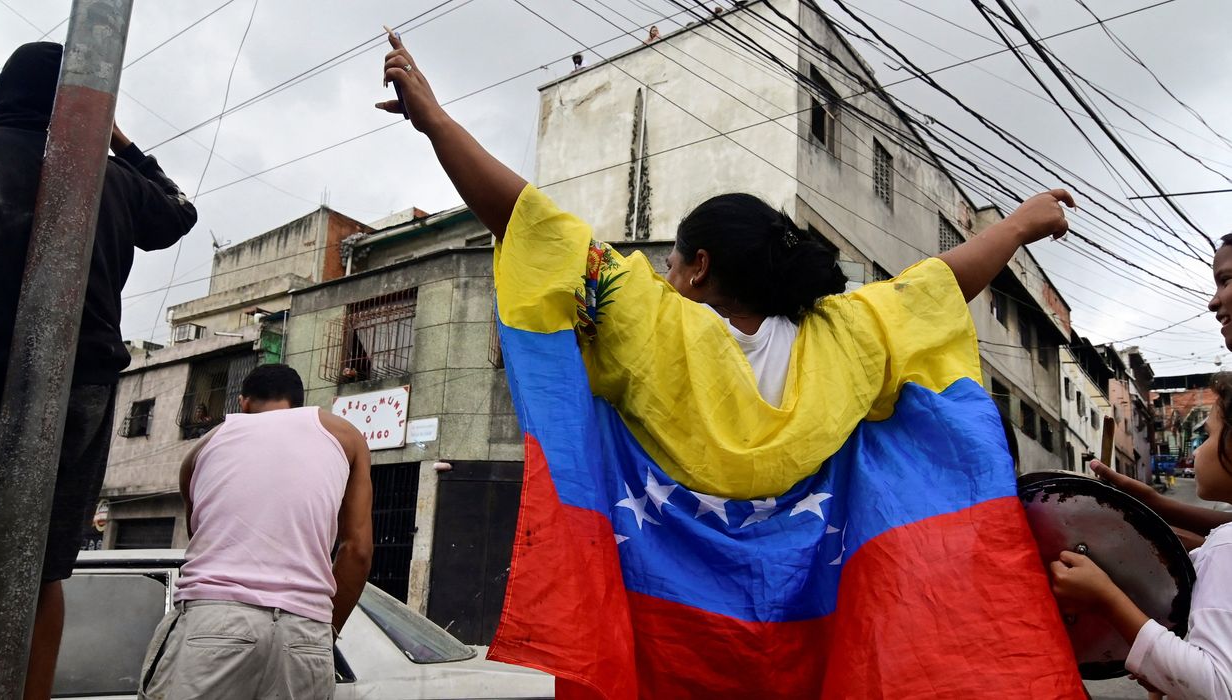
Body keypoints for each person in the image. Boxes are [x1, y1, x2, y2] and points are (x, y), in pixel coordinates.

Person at [377, 37, 1087, 697]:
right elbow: (940, 283)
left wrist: (435, 121)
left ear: (698, 267)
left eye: (673, 259)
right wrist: (1018, 225)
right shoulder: (847, 334)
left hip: (670, 635)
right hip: (808, 629)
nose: (662, 270)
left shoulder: (651, 320)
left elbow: (521, 216)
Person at [0, 42, 198, 699]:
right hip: (78, 386)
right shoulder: (109, 174)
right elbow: (177, 215)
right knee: (40, 569)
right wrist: (118, 142)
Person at [137, 364, 373, 700]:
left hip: (213, 622)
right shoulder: (346, 436)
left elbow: (201, 541)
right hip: (305, 633)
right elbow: (358, 551)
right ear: (301, 404)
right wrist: (323, 631)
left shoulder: (200, 449)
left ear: (243, 404)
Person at [1052, 374, 1232, 700]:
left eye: (1207, 436)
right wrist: (1166, 669)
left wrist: (1106, 598)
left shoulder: (1226, 548)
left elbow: (1217, 686)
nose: (1197, 451)